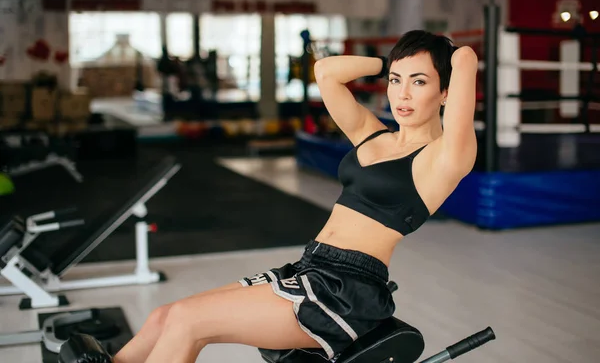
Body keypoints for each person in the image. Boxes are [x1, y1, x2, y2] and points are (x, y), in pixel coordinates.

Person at [113, 30, 479, 363]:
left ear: (445, 91)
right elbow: (326, 72)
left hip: (345, 291)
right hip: (309, 267)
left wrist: (442, 53)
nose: (402, 93)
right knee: (164, 316)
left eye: (419, 82)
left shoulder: (444, 157)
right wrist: (393, 60)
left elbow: (465, 59)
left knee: (186, 322)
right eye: (396, 81)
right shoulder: (374, 135)